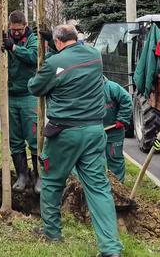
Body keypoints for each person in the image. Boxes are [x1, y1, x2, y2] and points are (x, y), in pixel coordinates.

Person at [29, 24, 123, 257]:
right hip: (94, 131)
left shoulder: (54, 64)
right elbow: (70, 62)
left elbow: (36, 87)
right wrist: (55, 47)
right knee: (99, 189)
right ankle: (111, 249)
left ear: (58, 42)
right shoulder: (94, 56)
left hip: (65, 134)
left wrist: (51, 54)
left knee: (51, 181)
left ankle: (52, 232)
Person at [0, 10, 39, 191]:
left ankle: (39, 177)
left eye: (19, 29)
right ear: (9, 26)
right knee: (15, 138)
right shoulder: (4, 36)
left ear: (25, 26)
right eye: (13, 29)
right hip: (10, 96)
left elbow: (33, 57)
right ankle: (22, 175)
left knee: (34, 137)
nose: (16, 33)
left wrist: (14, 48)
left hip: (29, 95)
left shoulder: (32, 39)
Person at [102, 77, 132, 181]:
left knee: (114, 157)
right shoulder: (84, 88)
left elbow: (127, 100)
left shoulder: (111, 87)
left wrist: (122, 119)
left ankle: (118, 185)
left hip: (113, 131)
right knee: (93, 159)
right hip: (94, 131)